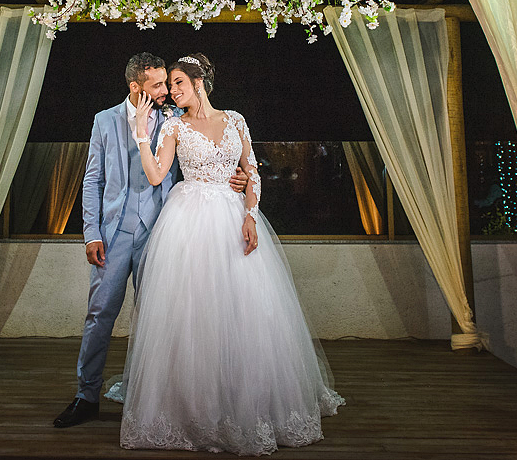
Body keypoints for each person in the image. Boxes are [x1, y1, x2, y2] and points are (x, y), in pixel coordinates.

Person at [111, 53, 344, 455]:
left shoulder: (235, 120)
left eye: (179, 83)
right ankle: (195, 408)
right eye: (170, 84)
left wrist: (251, 215)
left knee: (246, 311)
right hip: (189, 220)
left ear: (199, 83)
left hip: (234, 217)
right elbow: (154, 175)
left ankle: (245, 400)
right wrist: (140, 134)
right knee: (193, 314)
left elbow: (251, 171)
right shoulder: (173, 125)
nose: (171, 91)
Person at [53, 52, 247, 428]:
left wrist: (236, 180)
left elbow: (209, 156)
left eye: (168, 83)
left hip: (161, 232)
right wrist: (91, 232)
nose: (166, 91)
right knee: (99, 314)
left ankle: (148, 396)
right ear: (135, 86)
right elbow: (92, 180)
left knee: (159, 317)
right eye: (158, 85)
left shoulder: (174, 119)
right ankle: (86, 395)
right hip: (113, 235)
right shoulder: (105, 121)